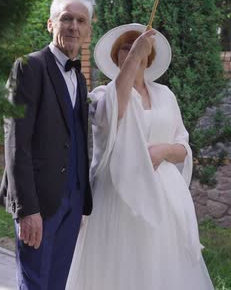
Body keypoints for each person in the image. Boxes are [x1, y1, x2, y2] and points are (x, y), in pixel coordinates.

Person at [65, 23, 214, 290]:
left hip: (164, 200)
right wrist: (133, 57)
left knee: (160, 269)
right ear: (116, 56)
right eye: (125, 47)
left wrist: (162, 151)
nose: (132, 51)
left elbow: (183, 148)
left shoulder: (166, 95)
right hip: (118, 199)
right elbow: (116, 112)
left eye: (136, 46)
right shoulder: (102, 95)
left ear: (150, 55)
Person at [0, 0, 94, 290]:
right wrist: (27, 209)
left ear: (89, 30)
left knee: (57, 283)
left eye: (81, 20)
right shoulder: (29, 67)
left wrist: (77, 201)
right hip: (39, 201)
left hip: (73, 201)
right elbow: (16, 143)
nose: (73, 26)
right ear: (50, 24)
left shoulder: (80, 78)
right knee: (35, 283)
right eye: (66, 18)